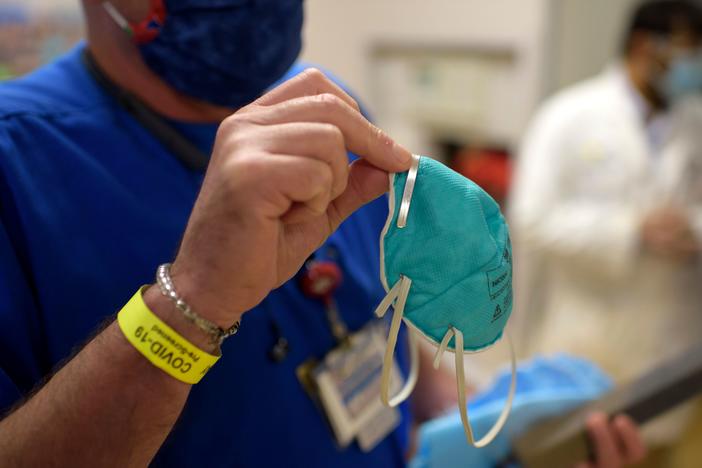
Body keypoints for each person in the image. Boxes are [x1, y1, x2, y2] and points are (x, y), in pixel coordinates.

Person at [0, 0, 643, 466]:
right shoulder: (20, 161)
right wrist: (189, 303)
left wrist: (478, 433)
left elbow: (366, 314)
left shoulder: (323, 103)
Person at [511, 0, 702, 461]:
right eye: (688, 51)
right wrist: (631, 231)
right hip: (583, 342)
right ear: (644, 45)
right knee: (575, 452)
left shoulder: (696, 124)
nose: (694, 66)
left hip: (671, 347)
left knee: (657, 450)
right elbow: (530, 218)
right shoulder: (567, 115)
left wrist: (691, 228)